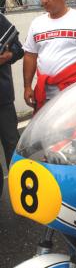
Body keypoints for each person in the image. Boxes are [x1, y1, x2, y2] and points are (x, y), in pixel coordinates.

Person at [0, 13, 24, 196]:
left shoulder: (0, 20)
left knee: (12, 146)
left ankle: (20, 192)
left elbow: (18, 49)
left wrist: (7, 55)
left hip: (3, 99)